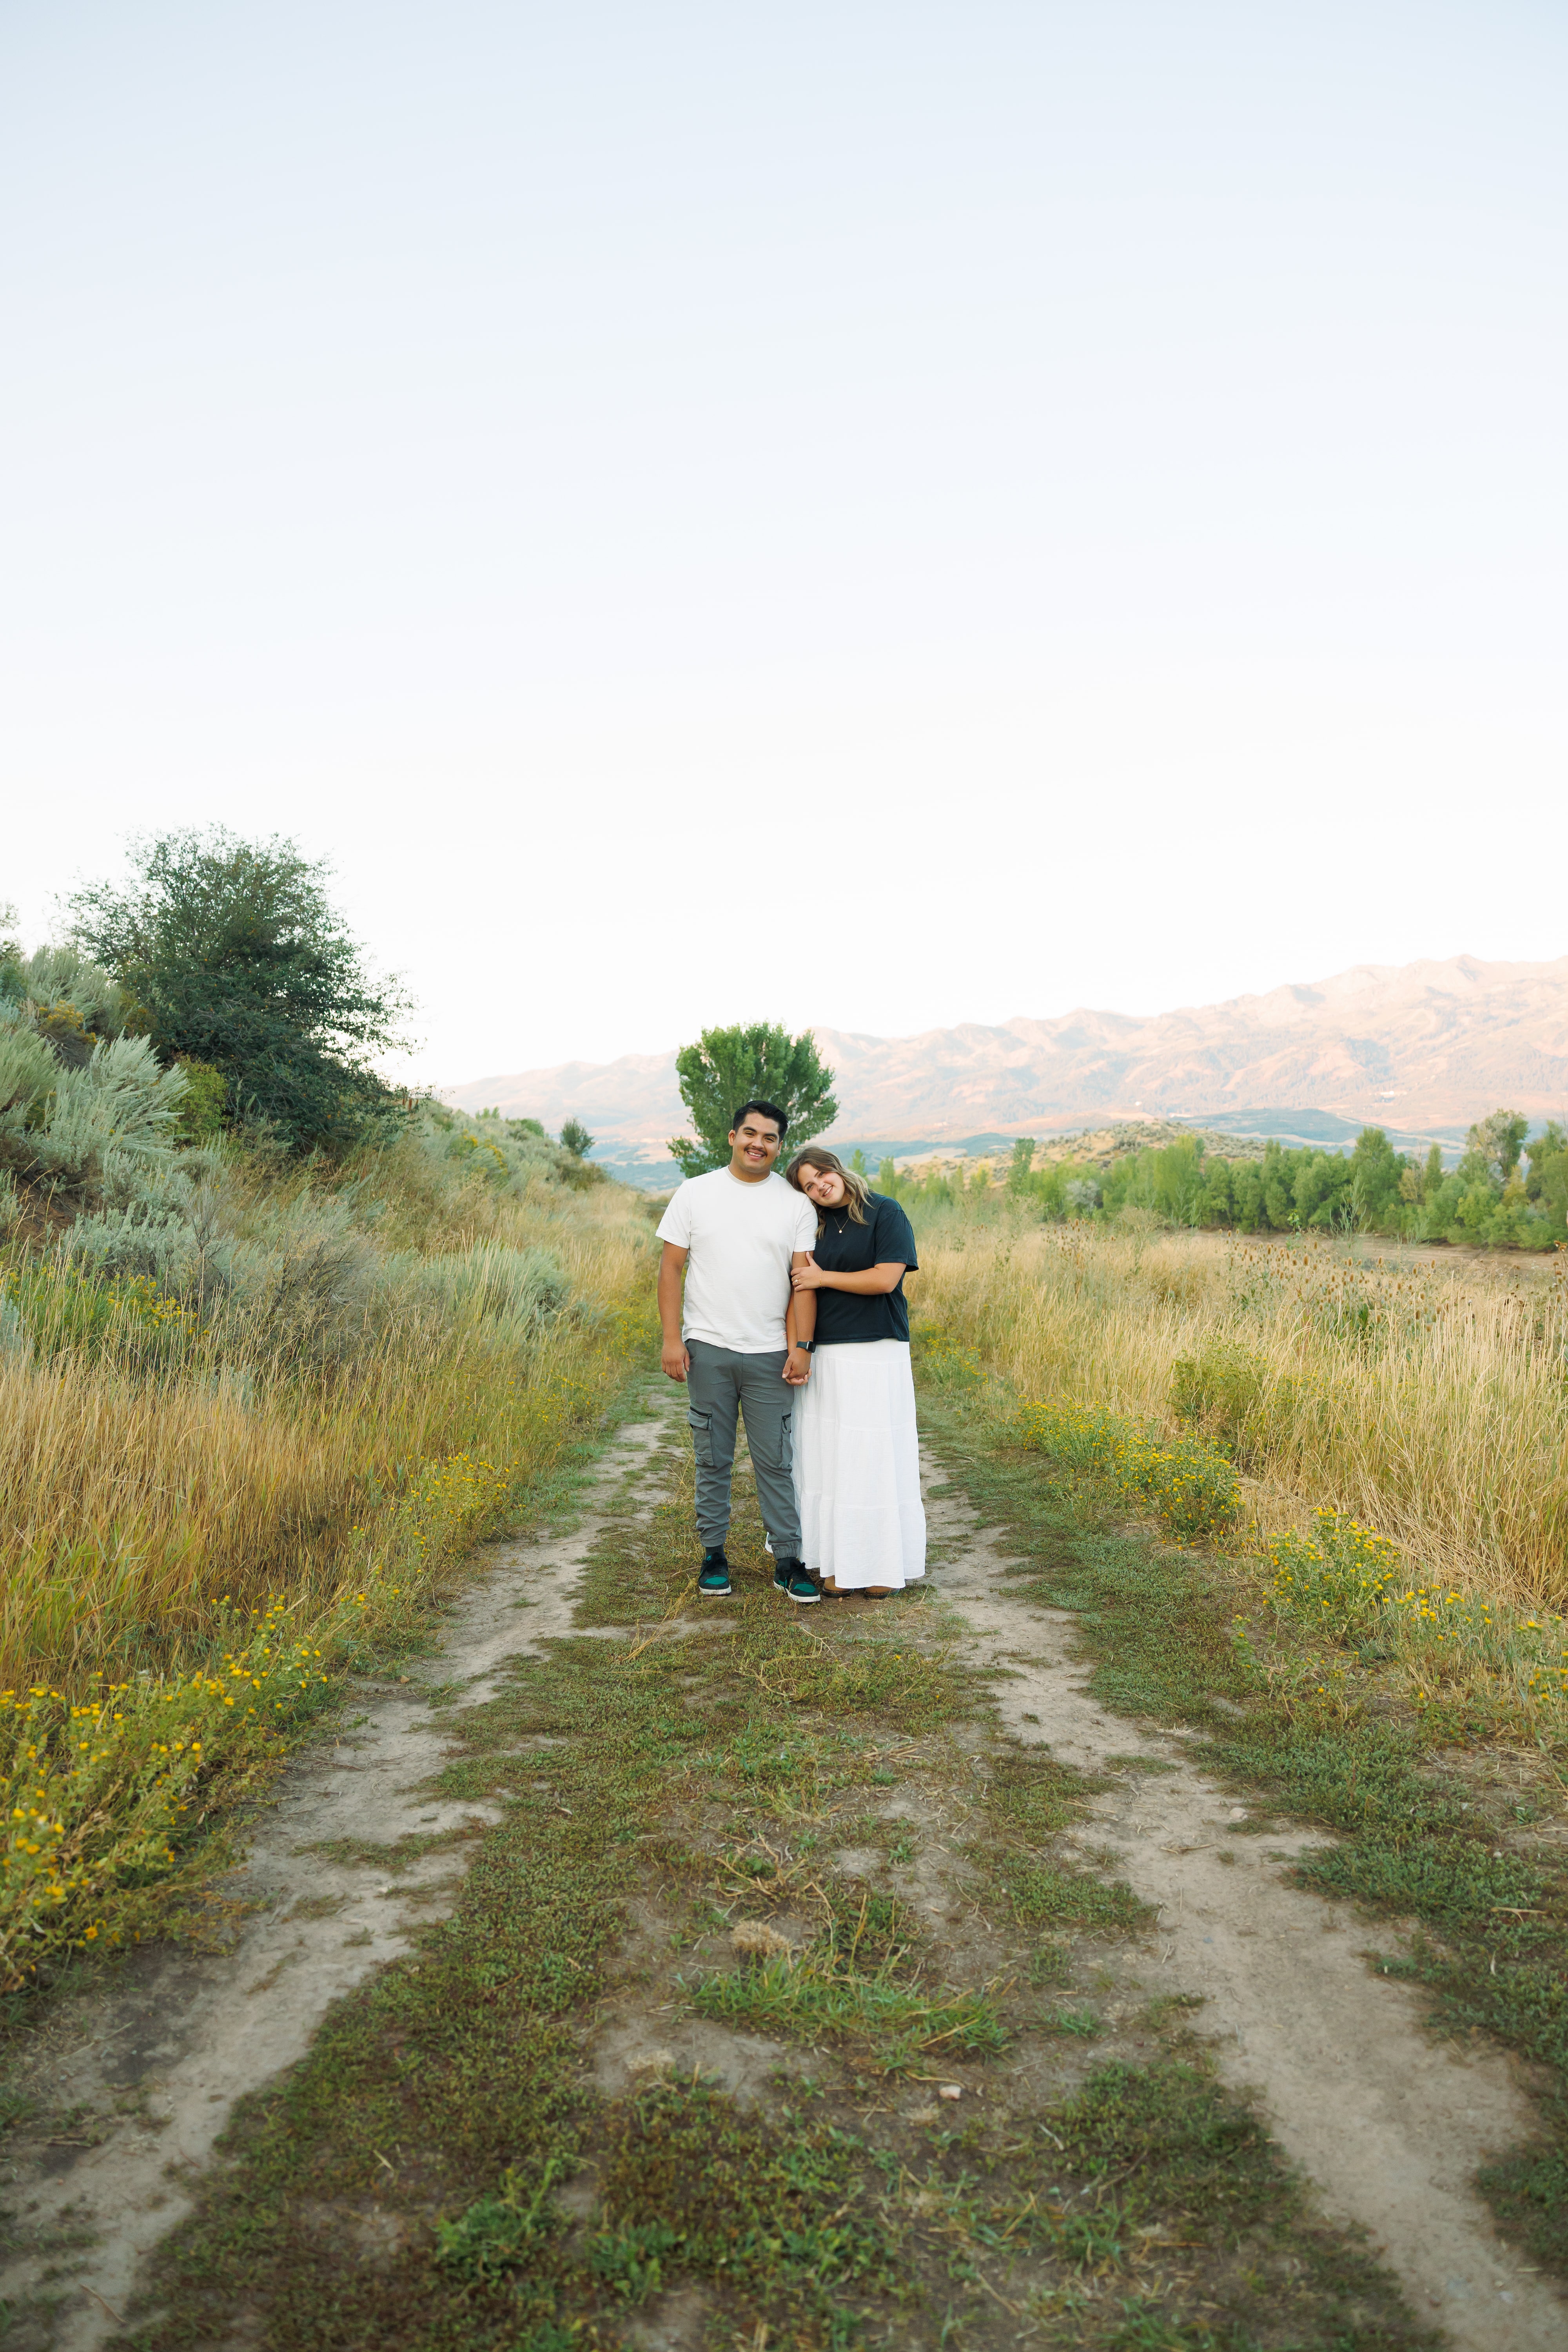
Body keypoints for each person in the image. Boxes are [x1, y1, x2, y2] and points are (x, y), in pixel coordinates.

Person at [655, 1100, 822, 1603]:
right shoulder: (695, 1192)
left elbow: (802, 1282)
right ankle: (714, 1556)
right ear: (732, 1137)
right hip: (708, 1348)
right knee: (712, 1458)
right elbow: (670, 1268)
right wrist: (671, 1339)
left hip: (771, 1353)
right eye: (750, 1133)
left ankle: (788, 1561)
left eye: (769, 1138)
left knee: (776, 1461)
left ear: (779, 1146)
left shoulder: (795, 1205)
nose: (758, 1144)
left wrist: (801, 1347)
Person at [783, 1149, 926, 1597]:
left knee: (872, 1455)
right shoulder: (813, 1226)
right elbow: (796, 1289)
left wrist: (824, 1278)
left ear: (837, 1169)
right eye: (808, 1186)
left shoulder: (885, 1211)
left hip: (876, 1349)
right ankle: (836, 1561)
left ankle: (880, 1566)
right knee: (829, 1458)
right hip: (825, 1352)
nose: (819, 1187)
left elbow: (885, 1279)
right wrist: (799, 1348)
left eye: (821, 1175)